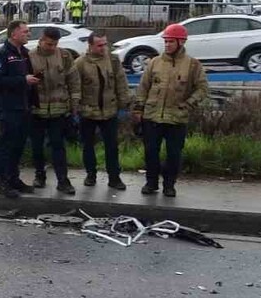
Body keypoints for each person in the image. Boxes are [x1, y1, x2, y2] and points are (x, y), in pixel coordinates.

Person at [133, 23, 209, 197]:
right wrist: (138, 110)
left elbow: (202, 89)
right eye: (165, 41)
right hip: (152, 117)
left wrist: (189, 104)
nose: (167, 45)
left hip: (177, 118)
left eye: (170, 42)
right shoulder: (154, 62)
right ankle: (151, 184)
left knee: (174, 155)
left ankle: (169, 185)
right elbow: (143, 88)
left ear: (181, 42)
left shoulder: (192, 65)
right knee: (151, 153)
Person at [71, 31, 130, 189]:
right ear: (90, 46)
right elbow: (75, 87)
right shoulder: (80, 63)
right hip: (88, 112)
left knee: (112, 146)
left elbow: (121, 83)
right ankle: (91, 175)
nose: (103, 48)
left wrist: (125, 104)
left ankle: (114, 178)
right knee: (88, 145)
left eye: (105, 44)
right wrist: (75, 109)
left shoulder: (113, 60)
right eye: (99, 45)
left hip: (109, 111)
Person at [27, 27, 80, 194]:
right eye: (49, 44)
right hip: (37, 110)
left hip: (59, 110)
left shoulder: (64, 56)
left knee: (58, 145)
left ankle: (63, 180)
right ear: (41, 40)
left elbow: (73, 81)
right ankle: (39, 176)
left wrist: (74, 104)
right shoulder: (29, 57)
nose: (52, 47)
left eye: (55, 44)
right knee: (37, 145)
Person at [0, 20, 39, 198]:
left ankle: (13, 179)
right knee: (6, 146)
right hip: (8, 108)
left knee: (18, 146)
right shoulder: (2, 54)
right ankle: (1, 182)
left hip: (23, 107)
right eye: (25, 32)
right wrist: (23, 80)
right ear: (14, 34)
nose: (28, 34)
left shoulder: (24, 53)